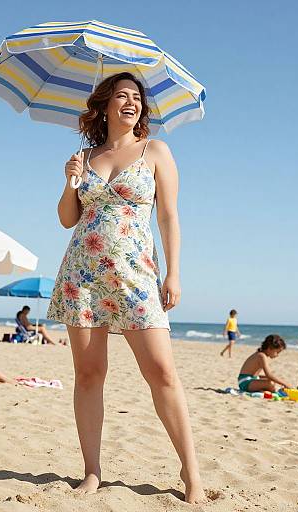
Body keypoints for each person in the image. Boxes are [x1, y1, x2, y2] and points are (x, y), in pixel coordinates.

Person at [46, 72, 204, 503]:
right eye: (121, 96)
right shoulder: (86, 156)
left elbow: (169, 215)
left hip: (136, 274)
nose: (131, 102)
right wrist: (70, 181)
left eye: (136, 97)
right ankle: (92, 472)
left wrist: (173, 272)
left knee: (162, 373)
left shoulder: (155, 151)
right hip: (83, 274)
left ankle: (192, 475)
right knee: (89, 374)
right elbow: (67, 219)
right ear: (104, 106)